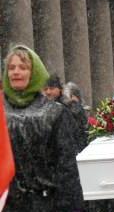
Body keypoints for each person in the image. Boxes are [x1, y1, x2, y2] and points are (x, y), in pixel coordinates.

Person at [2, 44, 83, 211]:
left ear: (35, 73)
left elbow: (66, 166)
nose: (16, 72)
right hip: (7, 203)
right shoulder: (0, 111)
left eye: (23, 67)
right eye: (11, 68)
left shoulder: (54, 112)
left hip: (46, 203)